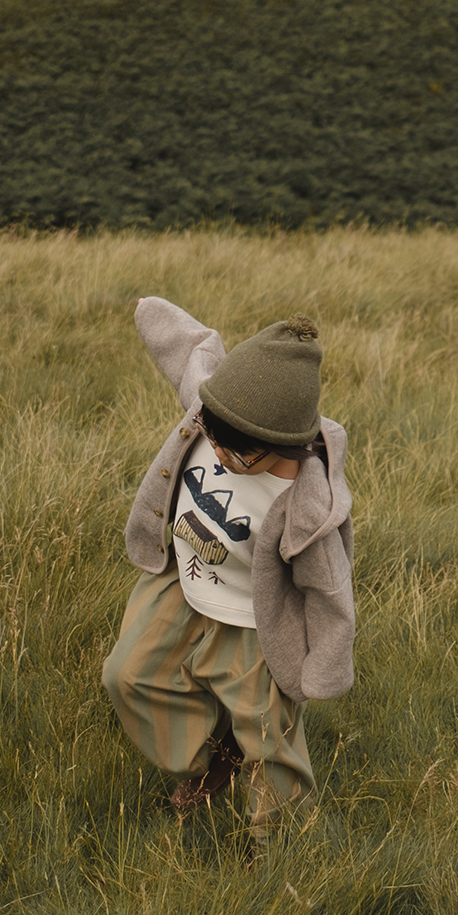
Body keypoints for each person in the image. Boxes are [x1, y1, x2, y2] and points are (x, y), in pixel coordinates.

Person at [101, 299, 355, 844]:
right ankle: (215, 758)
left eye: (235, 453)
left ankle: (279, 846)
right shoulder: (213, 414)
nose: (216, 452)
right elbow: (193, 351)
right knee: (128, 676)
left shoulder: (304, 505)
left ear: (282, 445)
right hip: (182, 584)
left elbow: (330, 590)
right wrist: (150, 311)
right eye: (210, 436)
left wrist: (323, 668)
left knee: (268, 737)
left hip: (252, 624)